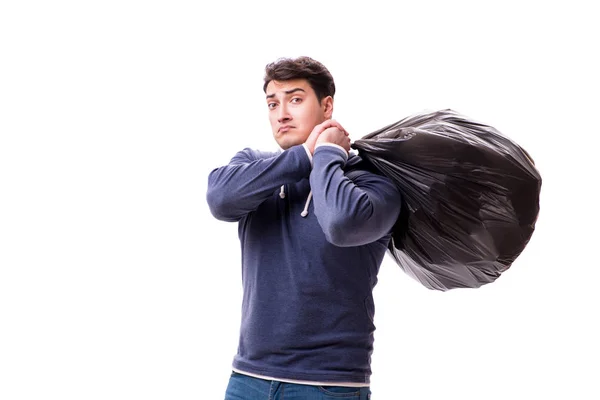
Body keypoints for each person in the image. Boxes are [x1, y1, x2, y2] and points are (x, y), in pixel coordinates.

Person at [206, 56, 402, 400]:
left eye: (295, 100)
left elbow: (342, 224)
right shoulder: (255, 166)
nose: (281, 113)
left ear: (327, 106)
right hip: (246, 379)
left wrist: (325, 154)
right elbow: (220, 199)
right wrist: (304, 157)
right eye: (272, 103)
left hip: (328, 385)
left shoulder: (372, 182)